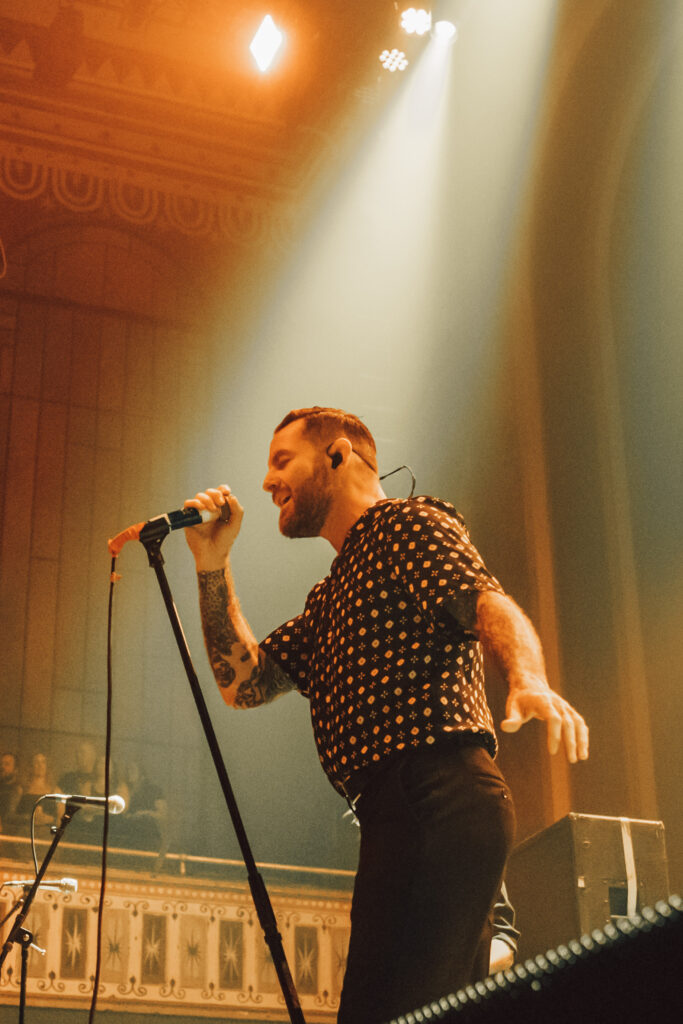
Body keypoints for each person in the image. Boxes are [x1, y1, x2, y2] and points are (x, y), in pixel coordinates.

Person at [183, 406, 589, 1023]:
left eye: (282, 461)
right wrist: (212, 566)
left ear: (338, 455)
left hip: (438, 795)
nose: (266, 481)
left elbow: (486, 600)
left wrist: (527, 675)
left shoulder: (405, 525)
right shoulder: (330, 597)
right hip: (396, 815)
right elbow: (243, 683)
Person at [0, 752, 22, 831]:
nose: (2, 767)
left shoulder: (19, 789)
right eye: (1, 764)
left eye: (7, 764)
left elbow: (10, 815)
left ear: (15, 770)